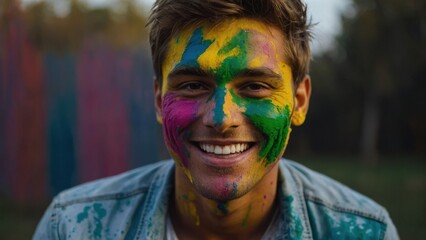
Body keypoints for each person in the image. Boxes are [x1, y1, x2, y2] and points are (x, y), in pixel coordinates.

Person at [34, 0, 399, 239]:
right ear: (160, 100)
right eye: (193, 85)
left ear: (299, 101)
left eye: (255, 86)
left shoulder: (363, 232)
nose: (221, 118)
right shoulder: (72, 228)